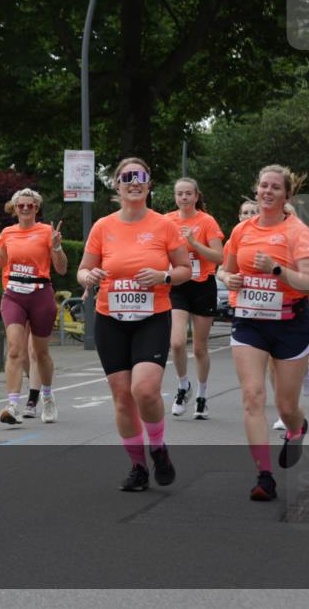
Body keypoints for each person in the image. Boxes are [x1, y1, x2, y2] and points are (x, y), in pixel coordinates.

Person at [77, 157, 192, 491]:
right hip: (110, 319)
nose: (134, 181)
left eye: (141, 176)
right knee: (123, 398)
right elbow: (83, 270)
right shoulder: (103, 227)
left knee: (144, 389)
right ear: (117, 185)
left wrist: (164, 275)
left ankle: (158, 447)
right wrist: (90, 275)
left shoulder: (164, 226)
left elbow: (185, 270)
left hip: (152, 317)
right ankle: (138, 467)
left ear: (149, 184)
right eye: (126, 177)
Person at [221, 165, 309, 501]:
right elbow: (225, 268)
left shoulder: (297, 232)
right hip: (249, 322)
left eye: (275, 187)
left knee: (286, 404)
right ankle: (265, 476)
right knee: (252, 396)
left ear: (286, 195)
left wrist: (277, 270)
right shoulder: (242, 230)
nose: (267, 191)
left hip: (290, 324)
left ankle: (296, 428)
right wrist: (227, 279)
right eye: (263, 185)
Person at [0, 189, 67, 425]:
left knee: (41, 353)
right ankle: (13, 404)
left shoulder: (47, 231)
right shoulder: (7, 232)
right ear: (14, 209)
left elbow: (62, 269)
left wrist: (56, 247)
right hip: (14, 294)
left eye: (31, 206)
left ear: (37, 208)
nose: (25, 209)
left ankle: (47, 397)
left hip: (40, 294)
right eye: (21, 206)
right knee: (15, 349)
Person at [166, 178, 225, 420]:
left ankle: (202, 395)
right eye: (179, 194)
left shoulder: (206, 221)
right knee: (177, 342)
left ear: (196, 195)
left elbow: (219, 256)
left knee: (200, 348)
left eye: (188, 193)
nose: (184, 198)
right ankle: (183, 387)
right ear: (175, 197)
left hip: (203, 286)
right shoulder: (167, 221)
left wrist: (193, 242)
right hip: (178, 285)